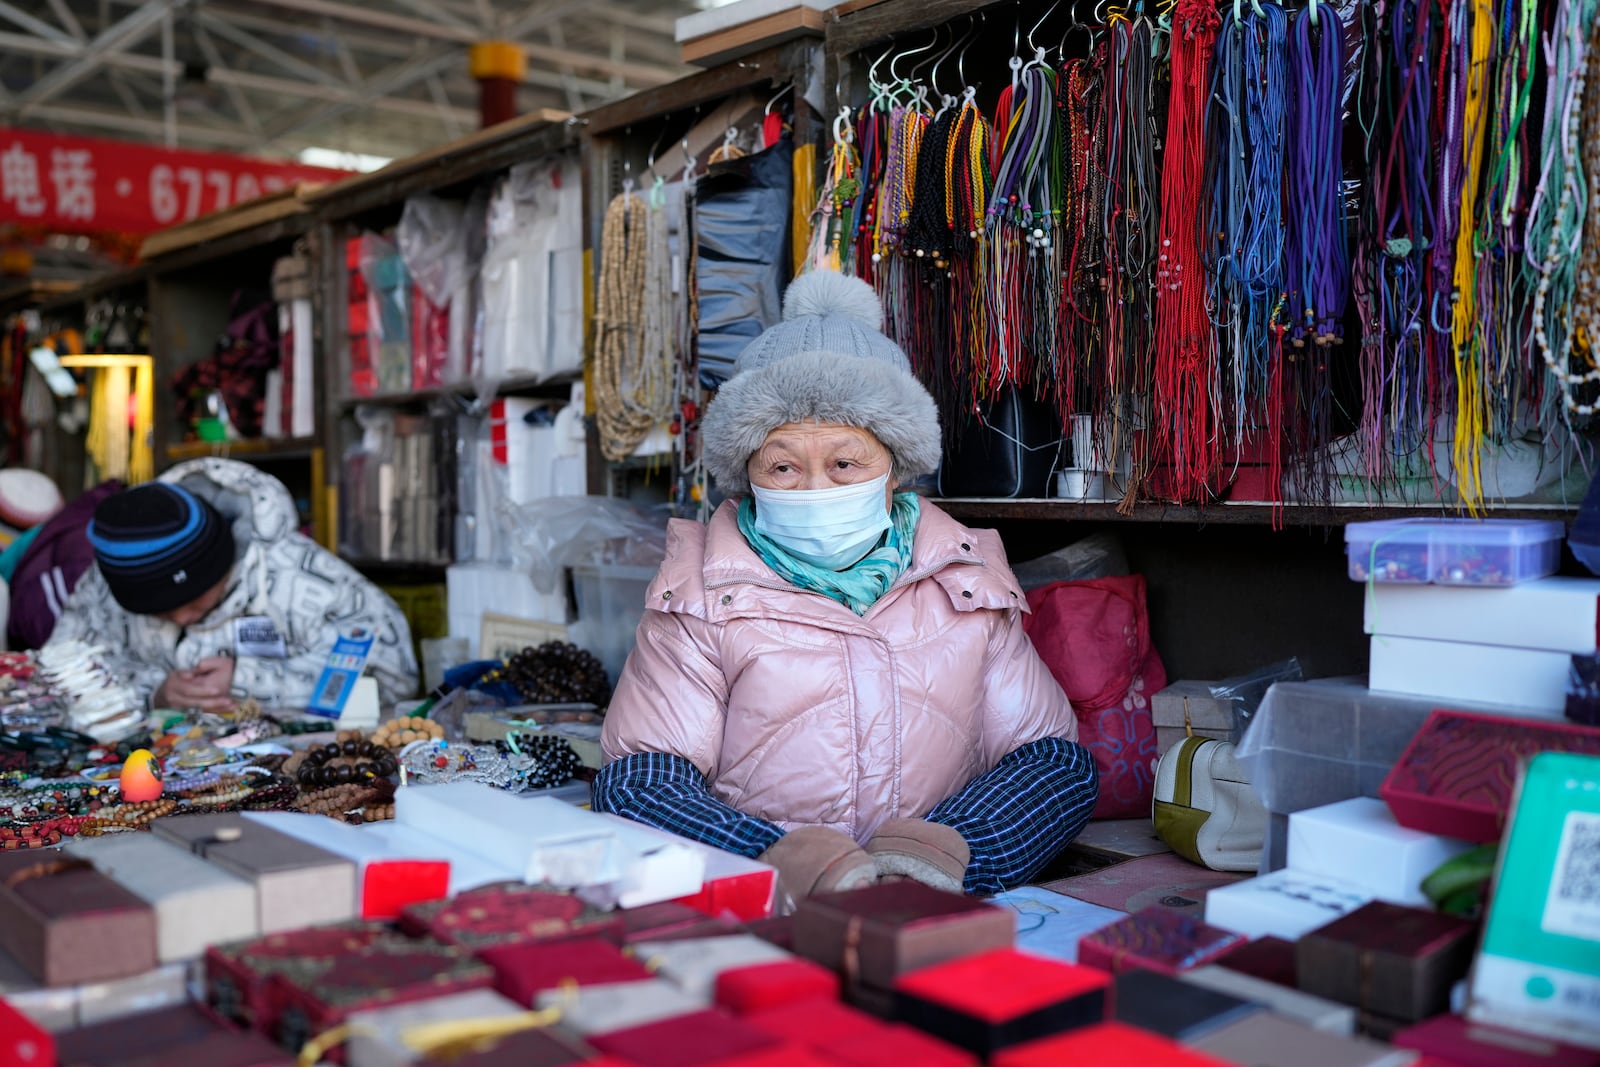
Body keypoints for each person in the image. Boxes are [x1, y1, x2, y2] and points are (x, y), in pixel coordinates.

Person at [593, 270, 1097, 902]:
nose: (814, 489)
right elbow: (640, 781)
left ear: (893, 469)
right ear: (747, 476)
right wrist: (771, 860)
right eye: (782, 465)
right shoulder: (696, 599)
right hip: (769, 918)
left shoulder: (968, 584)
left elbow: (1052, 763)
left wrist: (948, 853)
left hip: (930, 914)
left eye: (844, 463)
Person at [45, 457, 418, 710]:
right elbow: (53, 680)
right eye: (159, 610)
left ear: (220, 562)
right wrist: (153, 692)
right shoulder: (108, 577)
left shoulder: (300, 574)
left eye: (193, 599)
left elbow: (395, 676)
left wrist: (247, 681)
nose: (181, 619)